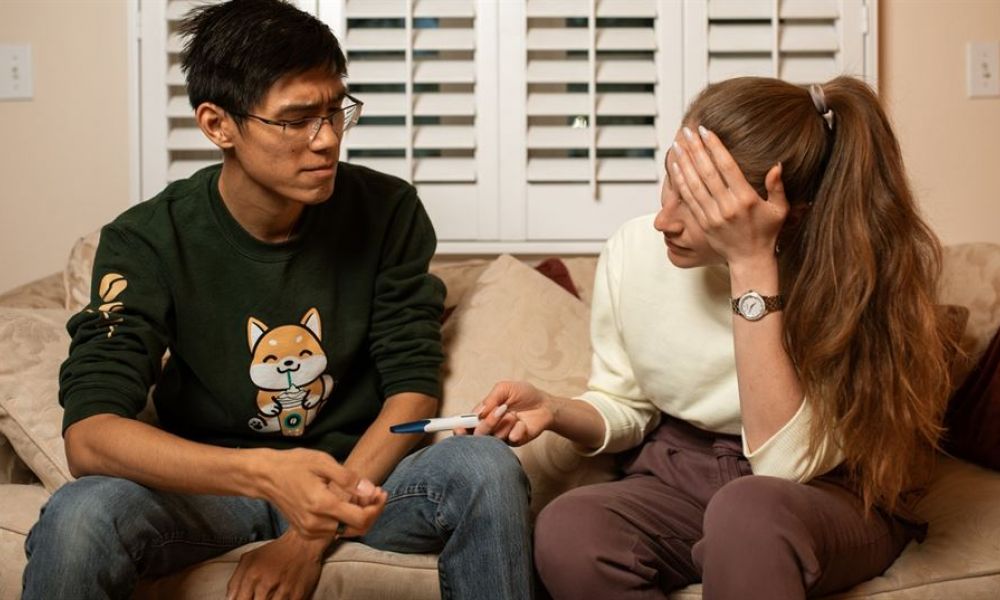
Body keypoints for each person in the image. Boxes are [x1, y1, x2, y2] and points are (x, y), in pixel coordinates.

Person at [21, 1, 532, 599]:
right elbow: (90, 436)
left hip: (361, 483)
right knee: (82, 513)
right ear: (218, 125)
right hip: (215, 494)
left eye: (336, 111)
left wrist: (309, 535)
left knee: (484, 467)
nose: (328, 140)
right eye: (296, 121)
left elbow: (411, 389)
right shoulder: (146, 241)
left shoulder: (388, 212)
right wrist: (266, 473)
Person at [470, 76, 956, 599]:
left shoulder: (854, 273)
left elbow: (786, 466)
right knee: (571, 528)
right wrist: (554, 408)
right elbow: (626, 404)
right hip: (682, 474)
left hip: (826, 492)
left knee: (748, 513)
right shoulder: (633, 251)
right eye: (670, 180)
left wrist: (751, 265)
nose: (663, 219)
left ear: (784, 210)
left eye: (700, 201)